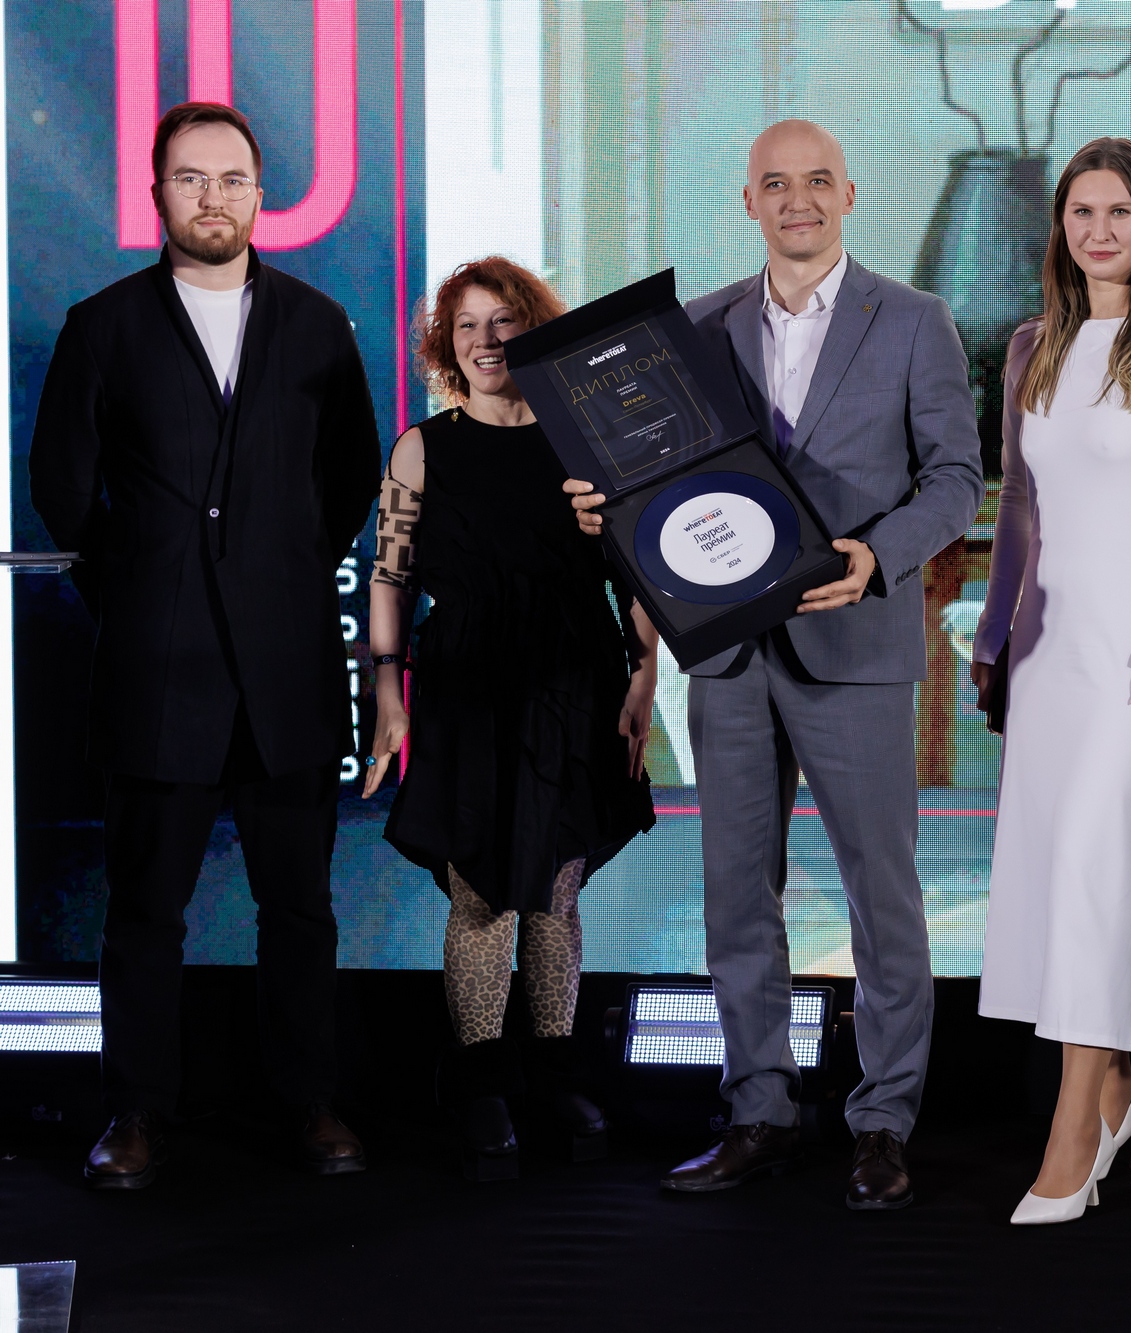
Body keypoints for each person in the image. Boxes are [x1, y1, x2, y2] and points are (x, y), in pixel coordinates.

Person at [567, 120, 983, 1210]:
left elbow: (954, 478)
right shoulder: (691, 331)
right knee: (734, 893)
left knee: (882, 895)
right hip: (729, 653)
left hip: (855, 642)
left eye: (817, 181)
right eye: (775, 184)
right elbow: (648, 486)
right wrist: (603, 507)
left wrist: (879, 556)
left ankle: (881, 1124)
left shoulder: (916, 320)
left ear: (848, 194)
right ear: (747, 201)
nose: (798, 200)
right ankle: (758, 1110)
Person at [28, 102, 379, 1187]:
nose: (212, 197)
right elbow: (61, 488)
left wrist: (278, 573)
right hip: (155, 670)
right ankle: (134, 1113)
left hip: (288, 670)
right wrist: (140, 586)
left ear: (260, 195)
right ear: (157, 194)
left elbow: (350, 477)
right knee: (144, 912)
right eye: (191, 178)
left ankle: (310, 1102)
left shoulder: (318, 326)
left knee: (300, 909)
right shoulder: (102, 325)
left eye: (232, 178)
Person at [971, 137, 1131, 1226]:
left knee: (1097, 865)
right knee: (1060, 874)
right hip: (1048, 654)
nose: (1098, 229)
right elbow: (1019, 506)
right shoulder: (1034, 345)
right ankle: (1120, 1087)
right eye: (1081, 211)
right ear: (1061, 228)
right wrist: (994, 635)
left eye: (1118, 210)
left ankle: (1073, 1127)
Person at [364, 257, 659, 1180]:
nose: (486, 340)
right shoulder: (422, 447)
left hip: (575, 680)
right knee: (482, 893)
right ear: (445, 345)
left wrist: (646, 671)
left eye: (504, 322)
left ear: (535, 333)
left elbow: (634, 568)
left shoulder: (589, 442)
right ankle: (481, 1084)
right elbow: (390, 575)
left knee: (556, 890)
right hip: (465, 687)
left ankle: (555, 1076)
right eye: (467, 325)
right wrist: (386, 689)